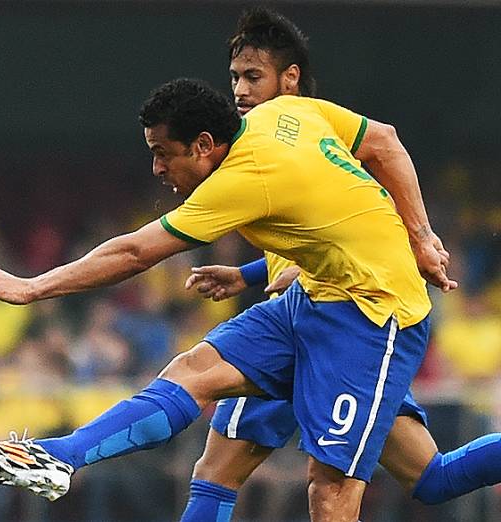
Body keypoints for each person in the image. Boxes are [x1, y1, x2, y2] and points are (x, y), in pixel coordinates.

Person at [0, 77, 454, 521]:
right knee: (198, 396)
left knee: (340, 490)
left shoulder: (239, 182)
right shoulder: (286, 110)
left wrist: (34, 286)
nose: (156, 168)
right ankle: (60, 455)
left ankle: (62, 455)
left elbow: (133, 252)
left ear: (204, 145)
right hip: (310, 300)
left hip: (372, 318)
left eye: (163, 153)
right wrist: (251, 271)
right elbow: (368, 163)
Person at [178, 8, 501, 521]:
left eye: (252, 77)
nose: (238, 89)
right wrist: (247, 275)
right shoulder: (251, 146)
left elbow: (357, 227)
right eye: (235, 77)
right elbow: (312, 248)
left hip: (354, 326)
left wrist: (421, 235)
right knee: (432, 478)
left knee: (326, 489)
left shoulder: (317, 135)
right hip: (301, 322)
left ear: (291, 79)